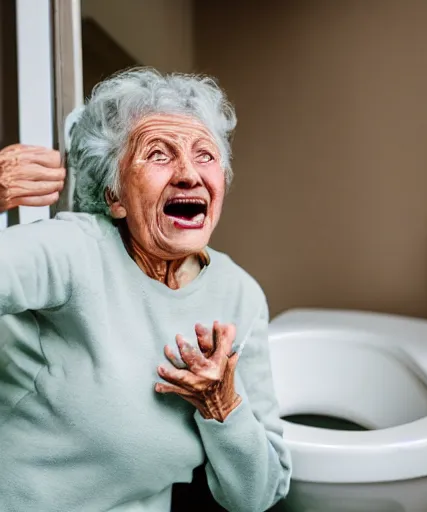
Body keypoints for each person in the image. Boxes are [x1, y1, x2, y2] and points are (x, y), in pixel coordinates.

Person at [0, 67, 291, 512]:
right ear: (114, 195)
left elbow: (258, 495)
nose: (189, 174)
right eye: (159, 154)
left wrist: (222, 406)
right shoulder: (73, 249)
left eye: (205, 155)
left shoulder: (240, 294)